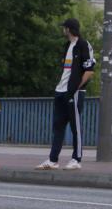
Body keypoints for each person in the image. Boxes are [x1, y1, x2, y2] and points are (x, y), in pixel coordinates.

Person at [38, 18, 96, 170]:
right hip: (60, 90)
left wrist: (76, 87)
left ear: (69, 29)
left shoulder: (84, 45)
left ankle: (76, 159)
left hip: (74, 92)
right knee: (58, 126)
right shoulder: (67, 45)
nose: (63, 30)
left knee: (75, 127)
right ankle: (53, 160)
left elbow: (89, 71)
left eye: (64, 28)